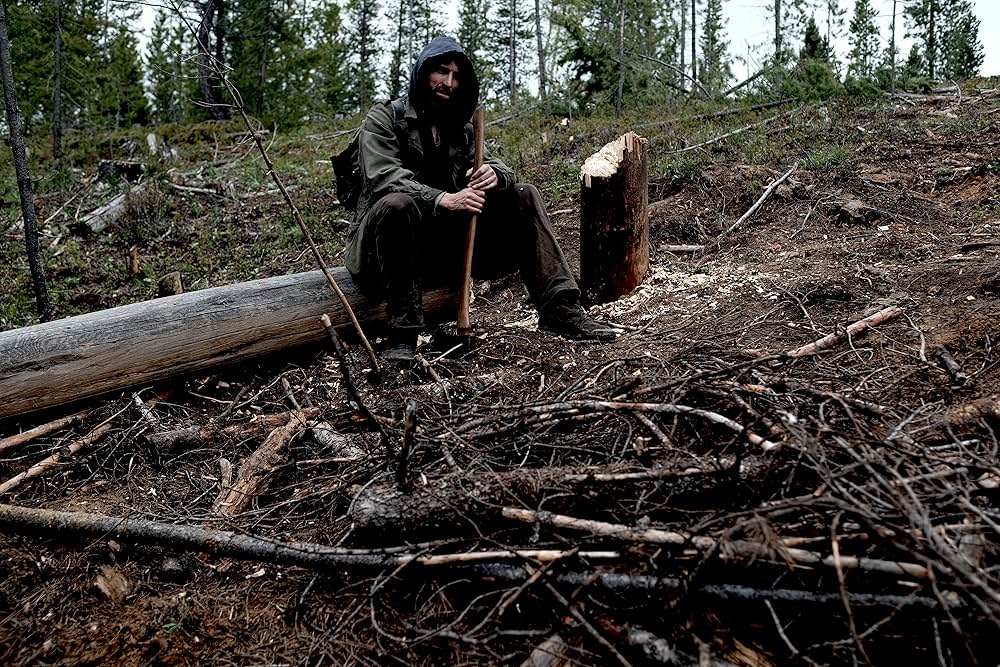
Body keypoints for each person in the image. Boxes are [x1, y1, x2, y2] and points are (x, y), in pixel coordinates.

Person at [344, 35, 618, 361]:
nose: (448, 83)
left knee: (523, 194)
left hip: (443, 256)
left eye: (457, 76)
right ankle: (403, 335)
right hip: (383, 256)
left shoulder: (460, 128)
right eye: (441, 72)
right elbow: (384, 179)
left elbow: (494, 164)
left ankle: (559, 308)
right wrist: (442, 199)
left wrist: (495, 174)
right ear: (422, 72)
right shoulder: (384, 119)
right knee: (398, 204)